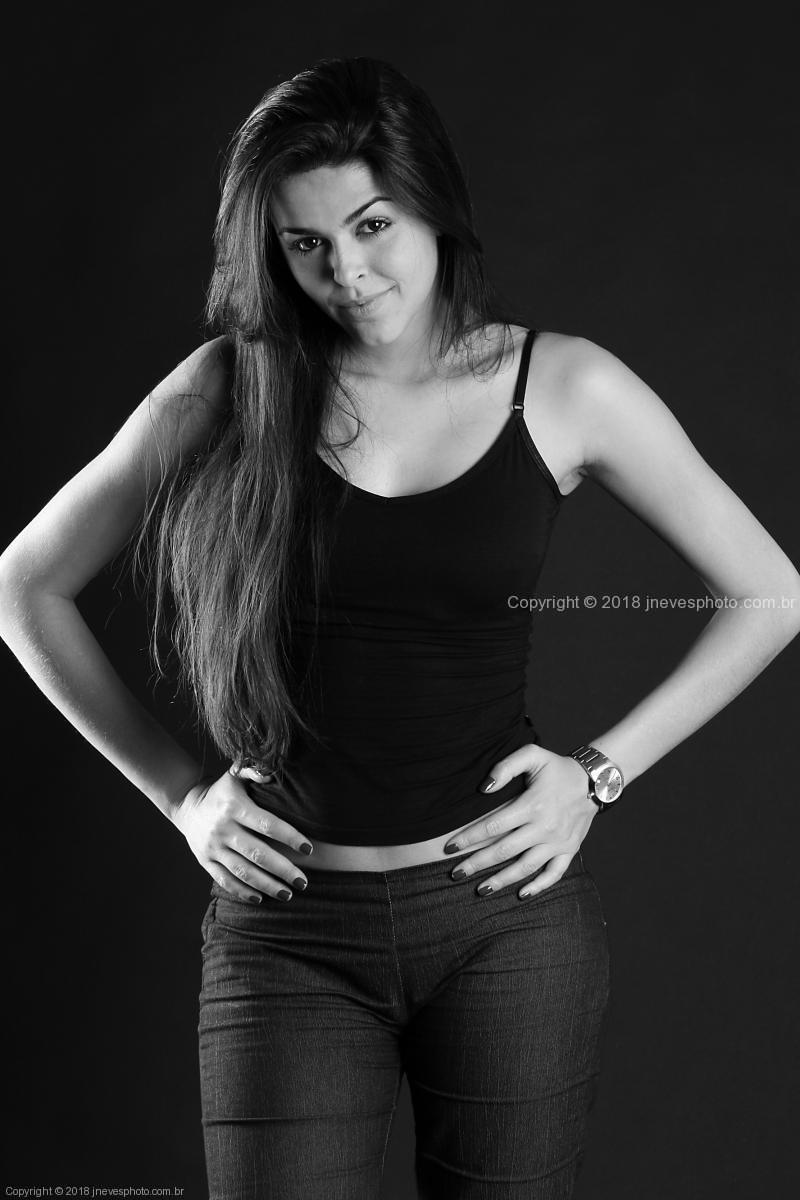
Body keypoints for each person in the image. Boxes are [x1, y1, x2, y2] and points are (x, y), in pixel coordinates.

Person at [0, 55, 798, 1200]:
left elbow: (768, 592)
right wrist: (182, 798)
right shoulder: (230, 385)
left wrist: (596, 775)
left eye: (372, 225)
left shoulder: (559, 385)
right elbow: (23, 586)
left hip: (504, 928)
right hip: (285, 935)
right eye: (305, 243)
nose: (348, 272)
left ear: (430, 206)